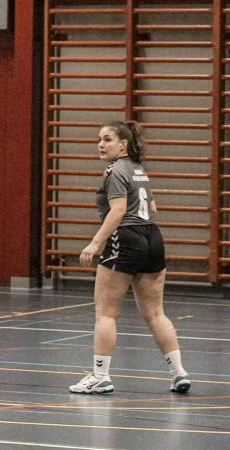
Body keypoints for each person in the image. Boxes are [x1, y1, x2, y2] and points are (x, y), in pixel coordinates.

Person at [70, 120, 191, 395]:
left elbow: (118, 210)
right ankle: (179, 372)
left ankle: (100, 376)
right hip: (153, 237)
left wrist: (95, 242)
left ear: (123, 145)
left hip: (126, 237)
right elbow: (154, 206)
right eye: (99, 139)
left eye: (107, 139)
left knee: (105, 313)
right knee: (156, 312)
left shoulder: (115, 170)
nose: (101, 144)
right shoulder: (138, 170)